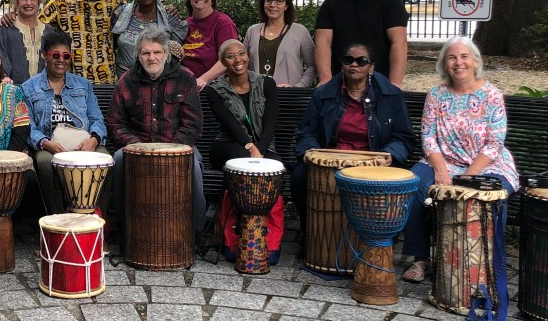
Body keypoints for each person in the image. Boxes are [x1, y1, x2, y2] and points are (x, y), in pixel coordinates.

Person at [401, 37, 517, 283]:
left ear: (475, 61)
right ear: (444, 63)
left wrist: (467, 177)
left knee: (494, 196)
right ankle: (420, 257)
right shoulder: (436, 95)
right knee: (413, 184)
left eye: (464, 56)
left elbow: (494, 144)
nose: (458, 62)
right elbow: (428, 137)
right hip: (444, 161)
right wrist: (441, 172)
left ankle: (488, 262)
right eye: (452, 57)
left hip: (487, 164)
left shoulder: (492, 95)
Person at [291, 42, 414, 228]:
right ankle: (311, 231)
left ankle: (379, 235)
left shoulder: (390, 95)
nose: (354, 65)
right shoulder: (324, 94)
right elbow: (306, 132)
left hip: (373, 162)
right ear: (342, 64)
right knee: (299, 176)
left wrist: (390, 154)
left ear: (371, 67)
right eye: (348, 60)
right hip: (331, 161)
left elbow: (404, 137)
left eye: (361, 61)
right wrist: (310, 152)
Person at [107, 27, 205, 239]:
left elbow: (193, 123)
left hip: (177, 145)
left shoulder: (185, 78)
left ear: (166, 54)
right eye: (146, 53)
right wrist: (136, 146)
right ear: (138, 56)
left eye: (157, 52)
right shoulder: (126, 81)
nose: (152, 57)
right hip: (136, 147)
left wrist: (172, 149)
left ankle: (195, 233)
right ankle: (126, 229)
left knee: (194, 167)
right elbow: (115, 123)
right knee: (118, 160)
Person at [204, 39, 284, 263]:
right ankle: (233, 236)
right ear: (222, 62)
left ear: (248, 56)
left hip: (264, 145)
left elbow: (270, 121)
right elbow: (230, 124)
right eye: (230, 56)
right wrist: (250, 148)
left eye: (241, 54)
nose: (237, 60)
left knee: (275, 168)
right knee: (241, 163)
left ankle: (270, 242)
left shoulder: (266, 83)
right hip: (227, 145)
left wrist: (261, 149)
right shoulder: (215, 90)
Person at [22, 30, 110, 214]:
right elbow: (27, 125)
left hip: (83, 143)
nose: (60, 60)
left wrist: (93, 139)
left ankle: (93, 216)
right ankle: (58, 216)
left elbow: (97, 119)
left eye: (65, 55)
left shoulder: (82, 85)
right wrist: (46, 143)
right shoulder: (29, 87)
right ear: (45, 56)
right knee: (45, 163)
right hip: (50, 145)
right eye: (55, 55)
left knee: (105, 160)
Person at [314, 0, 409, 87]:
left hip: (380, 83)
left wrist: (394, 83)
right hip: (340, 85)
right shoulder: (331, 5)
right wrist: (326, 81)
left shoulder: (390, 2)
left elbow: (399, 43)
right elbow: (323, 43)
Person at [38, 0, 126, 84]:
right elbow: (37, 25)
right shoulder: (60, 1)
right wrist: (14, 17)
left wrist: (166, 11)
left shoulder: (114, 1)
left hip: (105, 77)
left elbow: (136, 21)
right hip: (72, 79)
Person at [111, 0, 188, 75]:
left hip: (158, 80)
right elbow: (112, 43)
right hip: (124, 79)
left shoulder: (169, 16)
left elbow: (175, 52)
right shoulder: (121, 14)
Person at [243, 0, 316, 87]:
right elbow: (243, 62)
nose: (272, 5)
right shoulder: (252, 31)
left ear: (286, 5)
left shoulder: (300, 32)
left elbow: (312, 66)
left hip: (287, 97)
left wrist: (298, 87)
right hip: (257, 98)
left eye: (278, 1)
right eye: (269, 0)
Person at [181, 0, 238, 90]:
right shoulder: (185, 24)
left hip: (214, 87)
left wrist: (203, 80)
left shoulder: (223, 23)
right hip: (186, 86)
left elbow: (228, 58)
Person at [0, 0, 46, 84]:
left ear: (39, 1)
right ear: (16, 2)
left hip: (42, 93)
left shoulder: (48, 31)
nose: (28, 3)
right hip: (13, 91)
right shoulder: (4, 29)